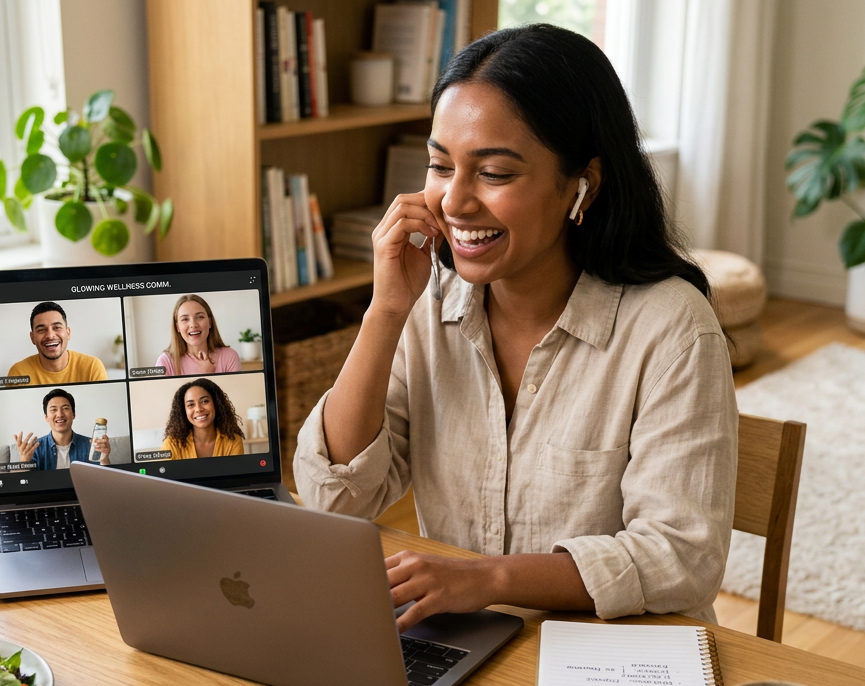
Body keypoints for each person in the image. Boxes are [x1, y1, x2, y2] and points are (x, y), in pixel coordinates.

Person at [293, 25, 738, 632]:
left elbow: (682, 557)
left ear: (583, 184)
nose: (454, 201)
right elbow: (335, 498)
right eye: (440, 165)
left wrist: (489, 579)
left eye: (494, 173)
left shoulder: (673, 329)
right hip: (461, 640)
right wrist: (385, 312)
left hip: (609, 660)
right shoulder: (428, 302)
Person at [8, 301, 109, 385]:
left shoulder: (92, 367)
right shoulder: (18, 373)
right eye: (41, 330)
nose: (50, 335)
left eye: (57, 328)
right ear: (32, 338)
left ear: (68, 333)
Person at [13, 388, 112, 470]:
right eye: (53, 410)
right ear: (46, 417)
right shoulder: (35, 448)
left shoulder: (91, 445)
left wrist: (104, 459)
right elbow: (24, 484)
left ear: (73, 414)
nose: (60, 414)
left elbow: (104, 481)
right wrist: (23, 462)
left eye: (65, 408)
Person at [155, 294, 242, 376]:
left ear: (210, 322)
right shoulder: (165, 361)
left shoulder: (229, 356)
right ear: (177, 327)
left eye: (200, 317)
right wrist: (204, 374)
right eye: (185, 319)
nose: (193, 324)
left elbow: (235, 392)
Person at [160, 378, 246, 459]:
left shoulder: (233, 441)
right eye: (191, 405)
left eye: (205, 401)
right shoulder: (171, 444)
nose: (198, 409)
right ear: (184, 411)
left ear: (216, 404)